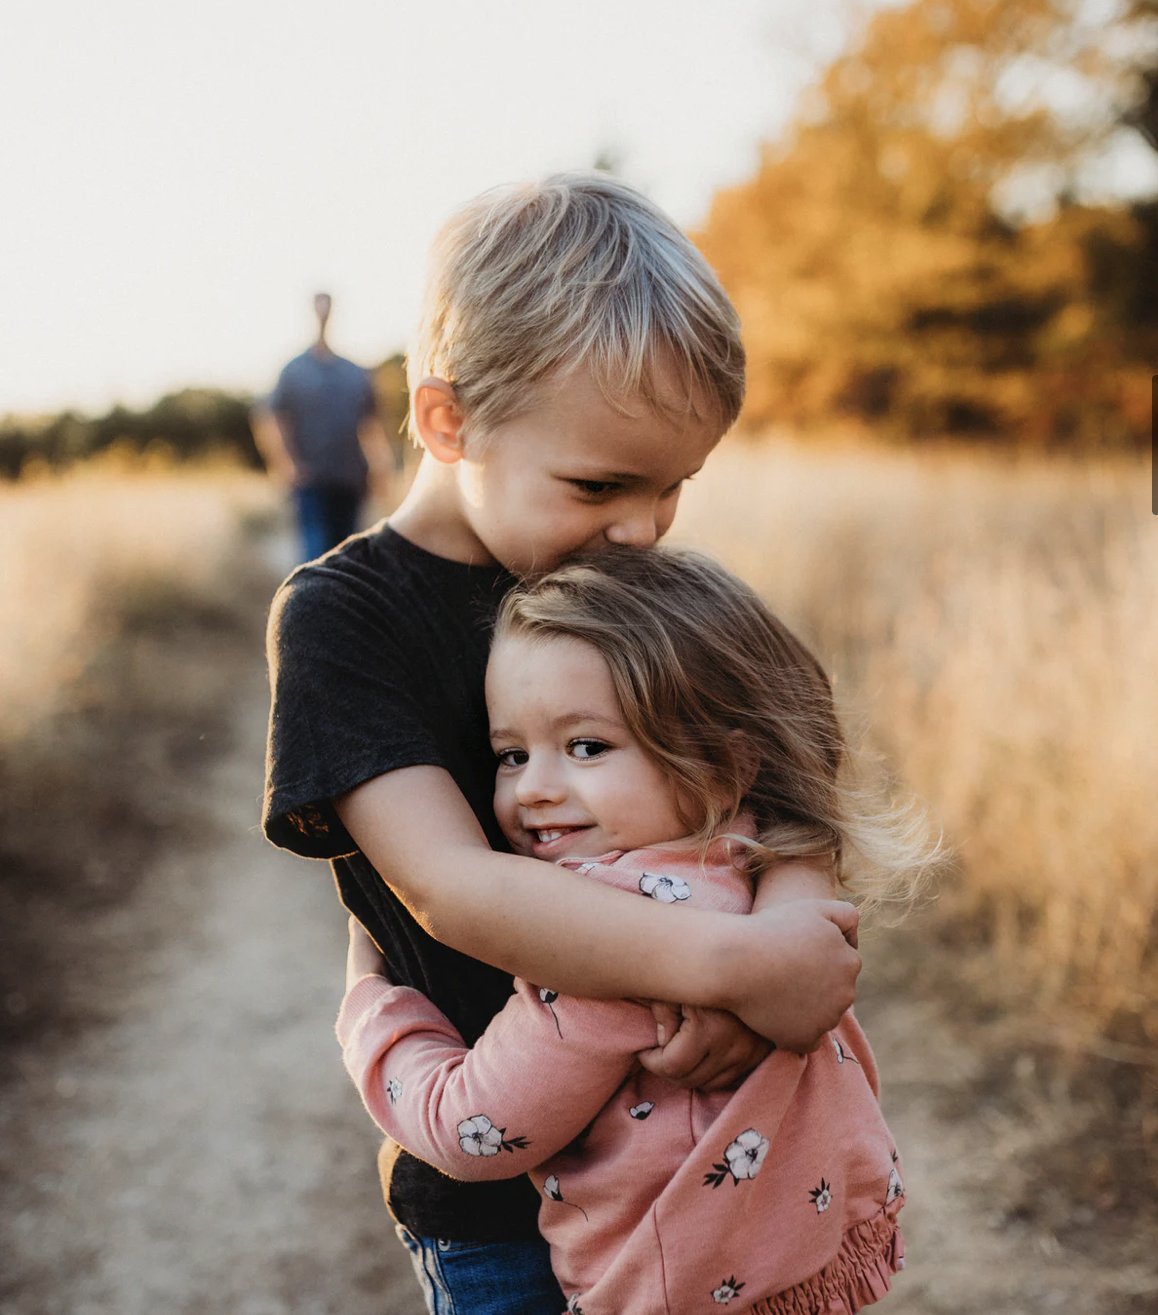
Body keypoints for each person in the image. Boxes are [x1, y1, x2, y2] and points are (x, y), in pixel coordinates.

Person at [263, 174, 863, 1314]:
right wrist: (733, 971)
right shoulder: (346, 618)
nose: (641, 528)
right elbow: (453, 886)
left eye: (674, 486)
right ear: (449, 422)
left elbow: (788, 764)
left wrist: (790, 922)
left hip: (714, 1165)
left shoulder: (626, 584)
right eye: (601, 483)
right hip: (501, 1201)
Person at [337, 547, 931, 1315]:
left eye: (587, 746)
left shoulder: (598, 944)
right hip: (813, 1264)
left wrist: (370, 1004)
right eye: (511, 754)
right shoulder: (754, 862)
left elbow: (469, 1131)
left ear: (724, 761)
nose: (535, 790)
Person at [255, 292, 393, 562]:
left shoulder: (354, 372)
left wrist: (381, 468)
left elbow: (372, 424)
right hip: (311, 481)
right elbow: (270, 418)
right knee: (316, 556)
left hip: (351, 478)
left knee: (346, 556)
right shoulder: (294, 370)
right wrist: (286, 464)